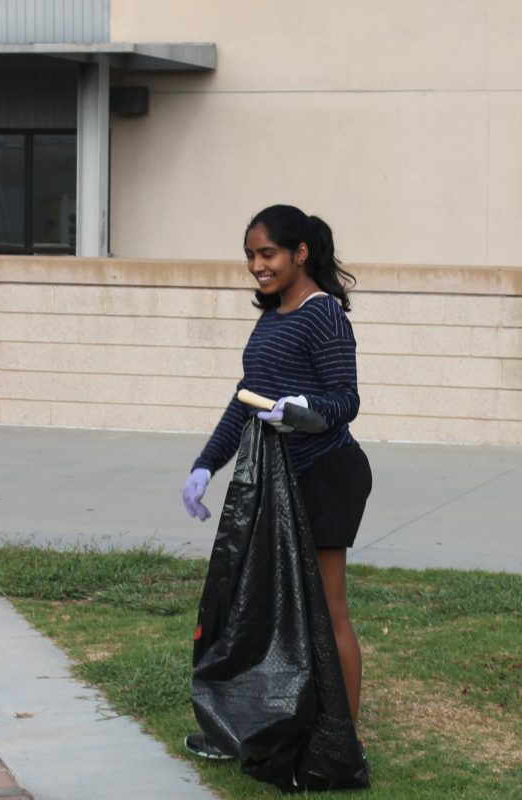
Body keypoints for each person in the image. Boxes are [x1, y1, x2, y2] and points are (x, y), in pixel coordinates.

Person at [181, 204, 372, 761]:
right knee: (265, 611)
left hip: (326, 474)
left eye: (266, 254)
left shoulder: (323, 314)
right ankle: (249, 728)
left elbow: (346, 400)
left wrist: (304, 410)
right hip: (278, 483)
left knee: (328, 611)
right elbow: (245, 399)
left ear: (299, 253)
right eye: (250, 255)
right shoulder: (272, 316)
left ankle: (341, 742)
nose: (256, 266)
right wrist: (204, 465)